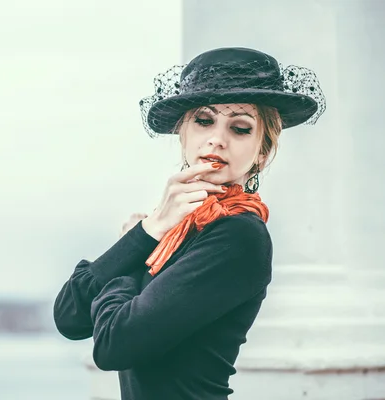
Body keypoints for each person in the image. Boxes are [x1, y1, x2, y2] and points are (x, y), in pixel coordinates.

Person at [53, 47, 326, 400]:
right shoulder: (176, 226)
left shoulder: (238, 234)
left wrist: (133, 253)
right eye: (204, 120)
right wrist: (149, 230)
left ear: (263, 152)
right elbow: (70, 316)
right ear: (183, 133)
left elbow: (113, 345)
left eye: (240, 128)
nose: (218, 138)